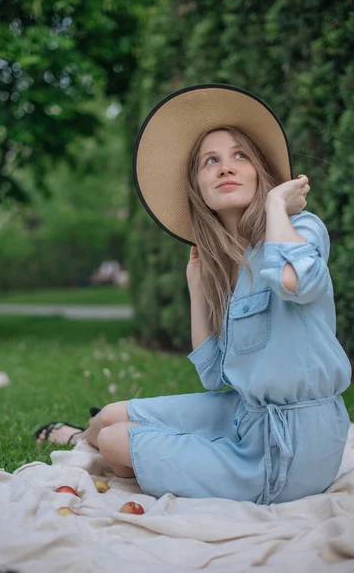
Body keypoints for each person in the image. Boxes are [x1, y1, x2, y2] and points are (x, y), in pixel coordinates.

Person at [35, 84, 352, 505]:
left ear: (262, 171)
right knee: (110, 417)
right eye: (211, 161)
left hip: (288, 451)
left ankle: (116, 444)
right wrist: (196, 285)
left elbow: (295, 282)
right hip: (247, 414)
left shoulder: (301, 228)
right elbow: (216, 376)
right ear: (199, 186)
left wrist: (277, 206)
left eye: (240, 155)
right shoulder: (235, 265)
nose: (226, 167)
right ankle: (84, 434)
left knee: (114, 441)